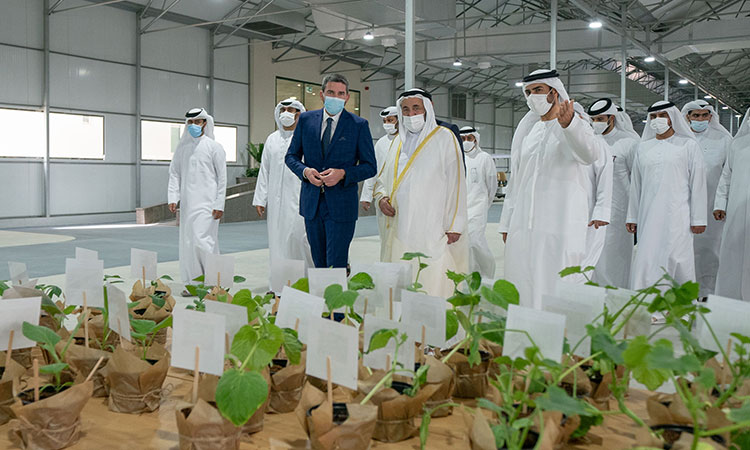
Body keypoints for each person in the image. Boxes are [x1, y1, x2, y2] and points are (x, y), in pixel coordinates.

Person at [498, 69, 604, 309]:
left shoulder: (577, 124)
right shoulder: (529, 131)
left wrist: (569, 126)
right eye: (527, 92)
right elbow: (517, 182)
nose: (531, 96)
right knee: (522, 279)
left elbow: (590, 154)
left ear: (554, 92)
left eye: (538, 90)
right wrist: (507, 223)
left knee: (558, 282)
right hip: (524, 224)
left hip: (561, 223)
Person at [373, 88, 467, 297]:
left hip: (433, 226)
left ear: (427, 108)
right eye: (405, 110)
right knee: (402, 275)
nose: (410, 114)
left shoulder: (445, 138)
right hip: (400, 225)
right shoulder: (397, 142)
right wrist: (381, 198)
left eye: (416, 108)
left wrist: (455, 224)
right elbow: (382, 179)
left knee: (432, 276)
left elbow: (457, 182)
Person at [285, 74, 377, 268]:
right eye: (331, 92)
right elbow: (291, 156)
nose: (336, 97)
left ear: (347, 97)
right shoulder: (306, 120)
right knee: (318, 262)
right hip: (312, 204)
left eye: (341, 93)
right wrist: (305, 171)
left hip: (341, 205)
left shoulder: (358, 125)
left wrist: (343, 173)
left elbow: (370, 166)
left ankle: (336, 298)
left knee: (336, 262)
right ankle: (320, 298)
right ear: (322, 94)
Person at [626, 100, 707, 294]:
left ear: (673, 118)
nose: (657, 120)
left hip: (678, 216)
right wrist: (632, 216)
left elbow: (698, 184)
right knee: (647, 258)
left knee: (678, 259)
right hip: (648, 215)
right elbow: (636, 185)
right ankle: (646, 306)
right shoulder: (644, 148)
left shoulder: (688, 145)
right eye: (653, 116)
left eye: (662, 116)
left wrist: (699, 218)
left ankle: (680, 309)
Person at [253, 98, 313, 289]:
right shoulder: (272, 139)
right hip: (275, 203)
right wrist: (260, 199)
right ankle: (278, 286)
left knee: (299, 240)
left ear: (299, 113)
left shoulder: (306, 137)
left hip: (298, 200)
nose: (287, 112)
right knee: (277, 242)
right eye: (284, 109)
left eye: (292, 109)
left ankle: (303, 283)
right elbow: (265, 170)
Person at [167, 108, 227, 291]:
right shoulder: (182, 149)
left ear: (205, 123)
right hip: (187, 205)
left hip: (208, 205)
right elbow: (174, 173)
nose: (194, 125)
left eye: (198, 122)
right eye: (190, 123)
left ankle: (214, 284)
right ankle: (192, 283)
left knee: (205, 242)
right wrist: (173, 196)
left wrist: (219, 204)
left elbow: (222, 177)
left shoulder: (214, 147)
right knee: (189, 243)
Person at [681, 100, 732, 298]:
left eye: (704, 115)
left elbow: (728, 174)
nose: (700, 119)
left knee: (710, 250)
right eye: (696, 116)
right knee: (684, 248)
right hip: (683, 205)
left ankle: (708, 292)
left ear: (711, 116)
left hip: (712, 207)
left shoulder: (723, 140)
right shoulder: (680, 138)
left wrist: (721, 203)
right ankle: (685, 289)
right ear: (687, 117)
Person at [588, 98, 640, 288]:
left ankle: (617, 295)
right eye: (593, 119)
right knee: (593, 256)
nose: (596, 123)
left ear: (611, 118)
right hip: (592, 210)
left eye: (600, 118)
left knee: (615, 256)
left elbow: (637, 180)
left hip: (619, 212)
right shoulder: (590, 141)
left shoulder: (629, 143)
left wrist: (634, 214)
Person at [713, 107, 750, 301]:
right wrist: (720, 203)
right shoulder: (737, 144)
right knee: (733, 256)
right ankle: (731, 301)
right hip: (736, 210)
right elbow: (726, 176)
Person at [574, 103, 613, 273]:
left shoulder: (597, 143)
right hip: (560, 214)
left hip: (588, 215)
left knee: (584, 261)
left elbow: (605, 180)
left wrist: (601, 212)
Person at [360, 106, 400, 261]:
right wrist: (367, 196)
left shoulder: (408, 140)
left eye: (390, 120)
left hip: (403, 199)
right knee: (385, 237)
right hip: (382, 197)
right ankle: (387, 270)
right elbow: (373, 171)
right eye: (384, 121)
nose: (387, 124)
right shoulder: (381, 143)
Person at [460, 126, 498, 280]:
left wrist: (484, 204)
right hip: (461, 209)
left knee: (476, 241)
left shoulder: (484, 158)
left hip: (478, 208)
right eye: (463, 139)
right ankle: (470, 276)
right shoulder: (458, 157)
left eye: (469, 138)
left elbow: (492, 185)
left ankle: (487, 273)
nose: (466, 142)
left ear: (475, 139)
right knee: (465, 246)